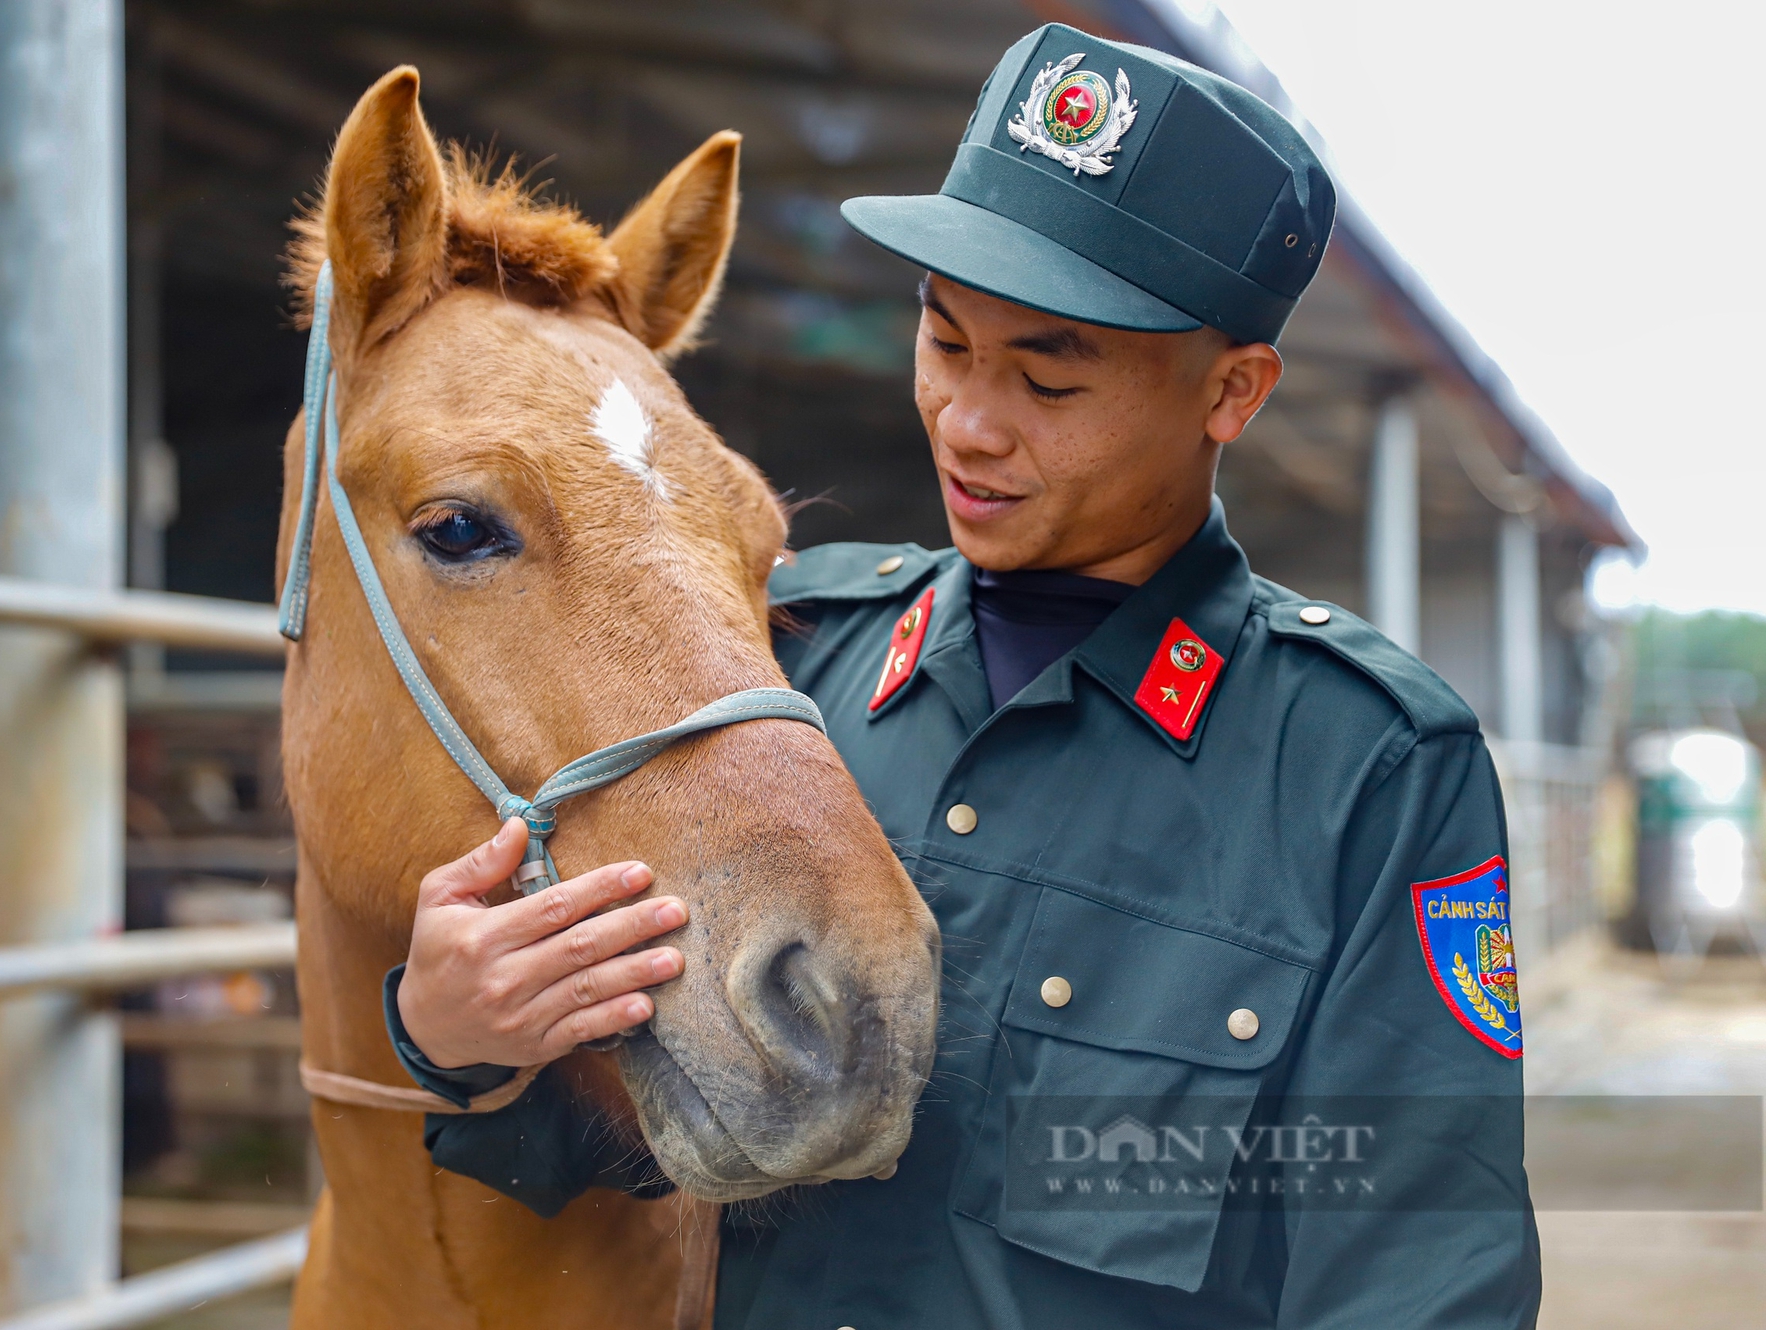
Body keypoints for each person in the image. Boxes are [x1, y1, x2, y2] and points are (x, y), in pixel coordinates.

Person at [386, 22, 1541, 1328]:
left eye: (1050, 376)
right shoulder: (782, 660)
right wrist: (461, 1039)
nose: (969, 422)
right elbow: (612, 1158)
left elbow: (1417, 1280)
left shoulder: (1363, 767)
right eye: (945, 343)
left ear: (1233, 390)